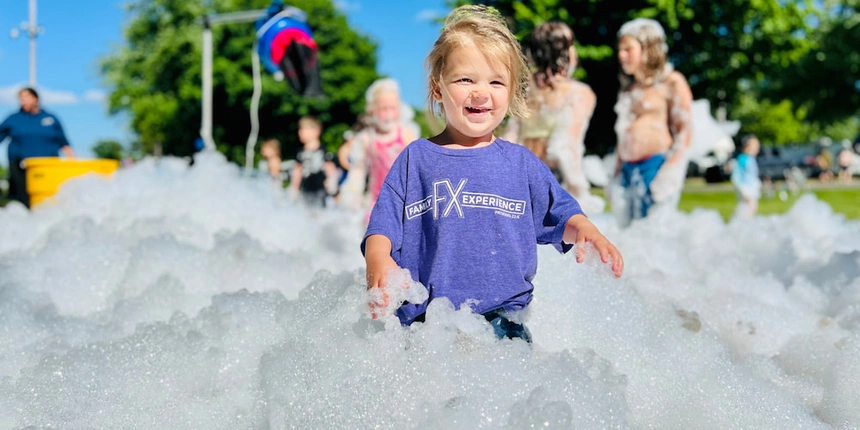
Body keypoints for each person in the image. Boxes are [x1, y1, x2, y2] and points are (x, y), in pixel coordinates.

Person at [361, 5, 624, 343]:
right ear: (438, 87)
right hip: (426, 326)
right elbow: (383, 224)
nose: (481, 92)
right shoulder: (416, 159)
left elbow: (561, 213)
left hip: (503, 325)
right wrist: (378, 260)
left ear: (513, 90)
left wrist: (587, 231)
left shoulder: (520, 164)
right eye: (465, 79)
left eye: (496, 81)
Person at [501, 21, 603, 215]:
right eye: (571, 45)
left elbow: (509, 140)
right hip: (557, 181)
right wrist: (581, 194)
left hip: (522, 179)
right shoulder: (578, 93)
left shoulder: (525, 92)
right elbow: (565, 148)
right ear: (564, 53)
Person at [612, 18, 693, 227]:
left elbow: (685, 131)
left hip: (655, 166)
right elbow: (623, 133)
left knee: (653, 231)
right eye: (620, 50)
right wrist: (616, 173)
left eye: (628, 49)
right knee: (629, 233)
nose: (621, 55)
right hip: (628, 170)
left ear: (648, 48)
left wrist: (670, 173)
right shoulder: (630, 90)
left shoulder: (671, 82)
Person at [340, 78, 419, 214]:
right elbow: (357, 170)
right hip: (376, 202)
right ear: (372, 110)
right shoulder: (367, 138)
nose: (388, 114)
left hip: (405, 202)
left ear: (399, 108)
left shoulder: (407, 134)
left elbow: (417, 168)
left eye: (392, 108)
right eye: (383, 109)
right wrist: (352, 194)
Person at [0, 87, 75, 207]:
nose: (23, 101)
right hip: (21, 167)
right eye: (21, 99)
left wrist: (72, 161)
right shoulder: (13, 119)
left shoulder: (50, 118)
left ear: (36, 98)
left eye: (27, 97)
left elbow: (64, 142)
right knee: (24, 201)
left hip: (47, 167)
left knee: (48, 200)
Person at [289, 116, 335, 207]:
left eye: (303, 129)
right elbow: (297, 172)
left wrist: (332, 186)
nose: (300, 132)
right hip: (305, 191)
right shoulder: (300, 153)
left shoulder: (323, 151)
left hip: (321, 191)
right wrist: (293, 191)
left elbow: (330, 169)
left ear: (316, 131)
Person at [730, 134, 762, 219]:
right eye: (755, 146)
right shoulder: (743, 158)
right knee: (747, 207)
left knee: (751, 207)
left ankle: (745, 222)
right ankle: (741, 222)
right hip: (745, 188)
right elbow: (736, 174)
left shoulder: (751, 158)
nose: (757, 148)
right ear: (746, 147)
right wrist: (742, 188)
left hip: (751, 188)